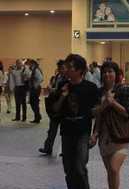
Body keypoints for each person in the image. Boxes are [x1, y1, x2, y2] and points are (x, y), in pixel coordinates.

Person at [53, 54, 100, 189]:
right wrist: (62, 97)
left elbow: (97, 112)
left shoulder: (90, 87)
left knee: (80, 167)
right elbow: (55, 109)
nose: (66, 70)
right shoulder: (63, 85)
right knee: (69, 170)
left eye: (70, 67)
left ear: (79, 70)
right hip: (66, 133)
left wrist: (95, 134)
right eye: (65, 67)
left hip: (82, 133)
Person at [91, 61, 129, 189]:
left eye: (110, 71)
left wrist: (112, 102)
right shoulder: (99, 92)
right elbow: (97, 115)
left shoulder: (123, 89)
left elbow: (127, 113)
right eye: (104, 72)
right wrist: (95, 134)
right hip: (104, 137)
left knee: (114, 168)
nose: (107, 74)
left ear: (116, 74)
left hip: (119, 135)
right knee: (110, 171)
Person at [40, 60, 67, 155]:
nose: (61, 70)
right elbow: (55, 87)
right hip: (56, 106)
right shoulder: (56, 77)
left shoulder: (69, 79)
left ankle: (65, 150)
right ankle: (48, 147)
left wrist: (55, 91)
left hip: (65, 107)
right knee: (52, 128)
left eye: (63, 68)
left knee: (65, 130)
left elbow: (61, 91)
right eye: (59, 68)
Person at [28, 59, 44, 123]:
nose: (29, 66)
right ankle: (37, 116)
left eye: (30, 64)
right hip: (35, 88)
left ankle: (37, 116)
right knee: (34, 102)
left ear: (32, 64)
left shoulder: (36, 69)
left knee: (34, 102)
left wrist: (35, 85)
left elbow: (40, 78)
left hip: (35, 88)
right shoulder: (36, 69)